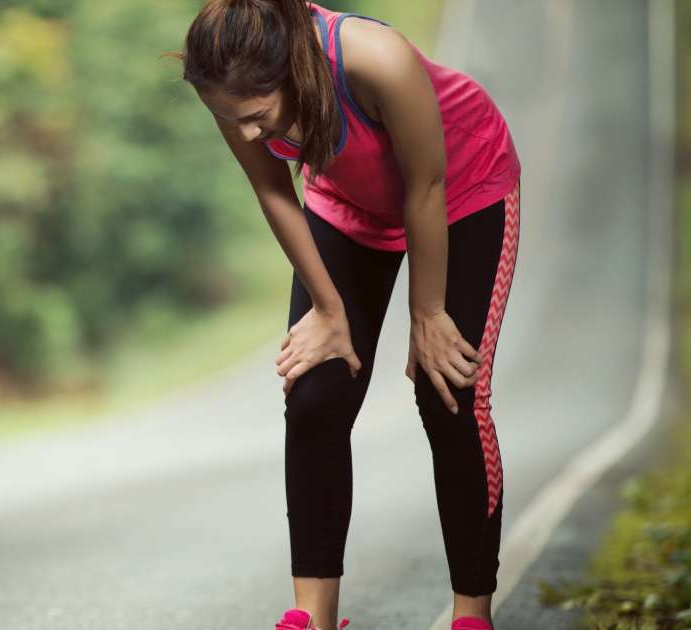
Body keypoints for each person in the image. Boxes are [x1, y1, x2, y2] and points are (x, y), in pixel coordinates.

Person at [168, 1, 521, 629]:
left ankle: (472, 615)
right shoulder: (225, 82)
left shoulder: (375, 60)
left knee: (451, 392)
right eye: (232, 119)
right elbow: (274, 189)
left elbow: (427, 187)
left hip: (462, 188)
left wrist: (428, 311)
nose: (247, 133)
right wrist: (328, 310)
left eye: (256, 117)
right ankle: (314, 617)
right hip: (348, 201)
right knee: (314, 394)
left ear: (293, 70)